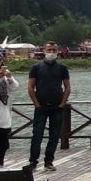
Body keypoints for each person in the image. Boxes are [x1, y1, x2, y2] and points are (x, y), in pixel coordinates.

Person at [27, 41, 70, 172]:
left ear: (58, 52)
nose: (51, 52)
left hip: (57, 107)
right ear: (44, 50)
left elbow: (67, 87)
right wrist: (36, 104)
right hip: (41, 107)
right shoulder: (36, 68)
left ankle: (49, 161)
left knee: (54, 136)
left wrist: (63, 103)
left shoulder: (62, 68)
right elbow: (30, 86)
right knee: (37, 135)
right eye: (49, 50)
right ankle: (33, 162)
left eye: (54, 50)